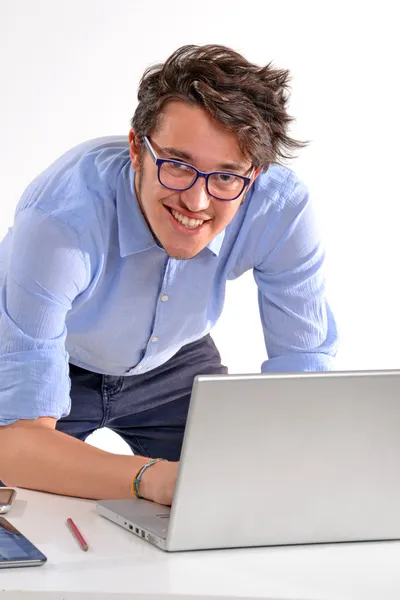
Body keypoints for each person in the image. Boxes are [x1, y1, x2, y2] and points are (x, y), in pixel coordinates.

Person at [0, 44, 338, 505]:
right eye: (178, 165)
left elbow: (305, 385)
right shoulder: (61, 221)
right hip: (52, 352)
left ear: (254, 175)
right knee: (25, 514)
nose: (196, 203)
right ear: (137, 149)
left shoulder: (280, 210)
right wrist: (149, 478)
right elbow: (16, 447)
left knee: (238, 501)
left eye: (225, 176)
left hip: (174, 358)